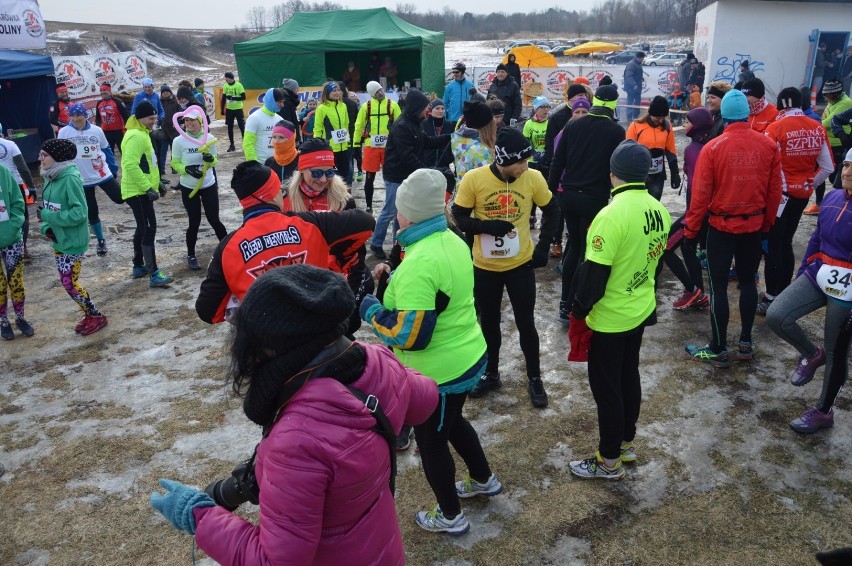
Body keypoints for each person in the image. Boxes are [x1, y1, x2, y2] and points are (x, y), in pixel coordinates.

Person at [154, 263, 438, 565]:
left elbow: (276, 561)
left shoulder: (296, 442)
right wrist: (389, 369)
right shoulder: (376, 361)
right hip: (382, 548)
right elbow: (427, 398)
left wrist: (199, 515)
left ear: (271, 349)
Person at [360, 168, 502, 535]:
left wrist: (371, 310)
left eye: (400, 210)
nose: (396, 216)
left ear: (411, 214)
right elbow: (439, 298)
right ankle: (484, 479)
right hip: (467, 355)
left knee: (432, 441)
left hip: (437, 373)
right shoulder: (451, 239)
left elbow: (411, 335)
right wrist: (393, 281)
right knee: (454, 424)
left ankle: (450, 515)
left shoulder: (420, 262)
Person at [567, 140, 671, 480]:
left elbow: (594, 275)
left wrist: (579, 309)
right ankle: (626, 442)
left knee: (607, 387)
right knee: (629, 376)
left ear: (612, 174)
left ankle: (608, 460)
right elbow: (655, 264)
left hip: (610, 316)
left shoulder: (611, 215)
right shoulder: (659, 209)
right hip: (639, 307)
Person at [452, 128, 560, 408]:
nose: (525, 167)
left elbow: (553, 210)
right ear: (502, 160)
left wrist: (543, 245)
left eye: (527, 162)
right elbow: (459, 217)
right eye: (520, 163)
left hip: (520, 264)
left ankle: (535, 377)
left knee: (526, 323)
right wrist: (486, 226)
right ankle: (491, 373)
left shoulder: (532, 177)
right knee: (488, 323)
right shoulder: (474, 179)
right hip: (484, 267)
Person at [195, 161, 375, 324]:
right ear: (273, 195)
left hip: (267, 340)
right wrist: (335, 257)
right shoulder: (309, 223)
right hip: (318, 329)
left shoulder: (227, 247)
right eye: (281, 191)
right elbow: (366, 222)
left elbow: (208, 311)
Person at [684, 90, 782, 366]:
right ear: (747, 114)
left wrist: (691, 232)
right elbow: (774, 191)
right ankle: (746, 342)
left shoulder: (713, 148)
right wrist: (767, 224)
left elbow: (700, 196)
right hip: (753, 225)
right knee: (749, 281)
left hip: (721, 226)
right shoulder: (767, 145)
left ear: (723, 116)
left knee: (717, 287)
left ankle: (717, 346)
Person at [766, 148, 852, 434]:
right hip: (819, 274)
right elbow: (816, 238)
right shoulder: (832, 197)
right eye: (847, 165)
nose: (848, 171)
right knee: (777, 314)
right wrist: (803, 273)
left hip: (848, 290)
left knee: (836, 351)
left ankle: (823, 411)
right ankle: (810, 353)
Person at [549, 85, 626, 323]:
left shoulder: (573, 125)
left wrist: (551, 193)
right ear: (613, 105)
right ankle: (576, 304)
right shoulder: (615, 131)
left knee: (574, 245)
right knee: (589, 250)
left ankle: (565, 304)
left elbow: (557, 162)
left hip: (570, 196)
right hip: (595, 198)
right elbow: (618, 169)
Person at [759, 87, 834, 314]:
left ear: (781, 104)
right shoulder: (817, 127)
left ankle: (772, 296)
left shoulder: (775, 128)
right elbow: (829, 167)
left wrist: (780, 190)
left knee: (773, 245)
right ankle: (783, 292)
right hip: (802, 195)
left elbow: (766, 166)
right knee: (786, 243)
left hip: (779, 197)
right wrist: (809, 183)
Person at [37, 139, 108, 335]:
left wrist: (47, 217)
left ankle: (96, 315)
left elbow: (79, 213)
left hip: (73, 241)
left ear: (57, 157)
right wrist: (46, 227)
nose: (40, 159)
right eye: (40, 154)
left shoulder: (70, 178)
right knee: (67, 282)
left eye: (44, 155)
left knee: (70, 284)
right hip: (58, 239)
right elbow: (48, 208)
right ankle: (89, 314)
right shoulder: (49, 176)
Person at [370, 90, 450, 260]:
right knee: (390, 211)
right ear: (416, 108)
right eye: (425, 107)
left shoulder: (416, 123)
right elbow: (406, 156)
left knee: (403, 212)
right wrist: (425, 172)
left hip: (408, 175)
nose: (427, 110)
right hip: (396, 176)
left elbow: (426, 142)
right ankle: (376, 243)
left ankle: (397, 244)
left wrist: (449, 137)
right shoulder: (402, 126)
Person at [58, 103, 123, 257]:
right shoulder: (64, 132)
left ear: (85, 115)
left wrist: (113, 169)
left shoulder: (97, 130)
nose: (75, 119)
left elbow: (106, 149)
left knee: (120, 198)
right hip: (81, 178)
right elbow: (60, 156)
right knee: (91, 211)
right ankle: (101, 241)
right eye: (72, 116)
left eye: (78, 115)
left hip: (101, 173)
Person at [664, 107, 713, 311]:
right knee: (688, 248)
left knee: (664, 248)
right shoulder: (710, 144)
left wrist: (691, 217)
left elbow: (696, 186)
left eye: (688, 121)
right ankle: (697, 292)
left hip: (696, 211)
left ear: (698, 125)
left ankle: (692, 290)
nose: (684, 124)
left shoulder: (694, 149)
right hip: (707, 211)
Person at [121, 101, 173, 288]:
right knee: (149, 228)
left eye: (155, 117)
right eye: (150, 118)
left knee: (143, 228)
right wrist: (147, 188)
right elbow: (130, 165)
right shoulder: (136, 136)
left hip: (140, 190)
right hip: (137, 192)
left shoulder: (142, 133)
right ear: (140, 118)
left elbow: (148, 165)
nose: (154, 121)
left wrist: (157, 183)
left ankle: (138, 265)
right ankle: (154, 274)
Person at [170, 107, 227, 271]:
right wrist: (186, 169)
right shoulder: (178, 141)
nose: (189, 123)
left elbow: (215, 160)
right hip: (189, 186)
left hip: (208, 184)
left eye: (192, 120)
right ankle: (191, 255)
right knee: (194, 222)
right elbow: (175, 163)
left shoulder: (208, 137)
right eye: (186, 120)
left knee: (214, 219)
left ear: (200, 121)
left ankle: (228, 249)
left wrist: (211, 159)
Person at [353, 80, 401, 213]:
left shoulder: (393, 105)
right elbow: (359, 125)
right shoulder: (366, 107)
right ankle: (369, 205)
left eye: (380, 90)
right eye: (376, 92)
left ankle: (393, 204)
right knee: (370, 177)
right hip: (371, 146)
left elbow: (400, 125)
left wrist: (400, 143)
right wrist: (356, 143)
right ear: (371, 94)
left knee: (391, 177)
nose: (380, 93)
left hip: (389, 147)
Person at [806, 80, 852, 216]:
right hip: (829, 142)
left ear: (835, 94)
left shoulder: (846, 103)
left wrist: (812, 125)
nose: (825, 98)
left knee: (837, 178)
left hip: (838, 145)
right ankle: (820, 204)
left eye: (827, 95)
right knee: (824, 172)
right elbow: (830, 119)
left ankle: (838, 207)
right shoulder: (833, 102)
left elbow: (826, 121)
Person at [625, 96, 681, 201]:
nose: (660, 121)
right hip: (639, 176)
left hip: (658, 176)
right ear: (650, 113)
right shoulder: (636, 126)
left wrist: (675, 173)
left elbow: (671, 151)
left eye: (663, 118)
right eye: (658, 118)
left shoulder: (667, 126)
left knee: (654, 205)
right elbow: (627, 152)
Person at [0, 162, 31, 340]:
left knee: (16, 280)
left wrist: (13, 227)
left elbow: (18, 203)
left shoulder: (3, 171)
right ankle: (3, 321)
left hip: (11, 239)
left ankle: (20, 318)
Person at [440, 100, 495, 184]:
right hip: (477, 195)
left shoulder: (460, 140)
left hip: (462, 192)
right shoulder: (480, 151)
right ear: (487, 125)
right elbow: (489, 183)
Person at [0, 136, 37, 260]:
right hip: (14, 184)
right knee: (22, 215)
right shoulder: (10, 144)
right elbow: (22, 167)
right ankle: (23, 247)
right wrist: (31, 187)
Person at [313, 81, 352, 185]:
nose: (337, 92)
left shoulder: (343, 105)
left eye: (338, 90)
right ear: (327, 93)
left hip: (343, 147)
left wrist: (348, 143)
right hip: (330, 149)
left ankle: (343, 199)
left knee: (344, 176)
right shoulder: (322, 108)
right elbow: (318, 128)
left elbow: (346, 125)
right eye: (334, 90)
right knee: (332, 177)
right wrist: (318, 146)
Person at [244, 88, 284, 164]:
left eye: (282, 102)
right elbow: (248, 143)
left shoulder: (280, 119)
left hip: (276, 163)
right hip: (260, 165)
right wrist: (253, 163)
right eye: (279, 102)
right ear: (271, 101)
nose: (282, 105)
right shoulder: (255, 118)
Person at [95, 83, 130, 153]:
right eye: (101, 90)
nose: (102, 92)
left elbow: (126, 117)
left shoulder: (117, 101)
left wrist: (127, 130)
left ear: (109, 91)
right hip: (106, 133)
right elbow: (98, 118)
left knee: (125, 152)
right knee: (109, 154)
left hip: (118, 132)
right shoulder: (99, 103)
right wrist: (98, 130)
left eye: (104, 90)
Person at [263, 120, 298, 185]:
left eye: (281, 137)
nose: (276, 141)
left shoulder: (300, 161)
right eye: (274, 137)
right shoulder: (269, 162)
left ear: (291, 139)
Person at [221, 71, 246, 153]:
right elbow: (224, 98)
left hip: (238, 109)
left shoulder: (239, 85)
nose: (225, 79)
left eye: (226, 77)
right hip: (229, 109)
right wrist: (222, 109)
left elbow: (243, 97)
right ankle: (232, 145)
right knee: (229, 127)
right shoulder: (225, 85)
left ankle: (245, 144)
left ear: (229, 77)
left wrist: (233, 98)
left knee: (242, 127)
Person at [421, 99, 449, 168]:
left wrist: (448, 158)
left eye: (443, 108)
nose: (440, 111)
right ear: (431, 110)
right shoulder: (423, 124)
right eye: (437, 108)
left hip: (444, 165)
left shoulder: (449, 125)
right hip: (426, 165)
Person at [278, 78, 302, 146]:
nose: (298, 90)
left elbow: (294, 119)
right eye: (297, 88)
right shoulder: (286, 102)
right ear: (292, 89)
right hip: (289, 138)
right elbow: (286, 122)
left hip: (292, 137)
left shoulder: (290, 100)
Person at [623, 52, 645, 122]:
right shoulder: (631, 64)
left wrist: (641, 79)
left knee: (637, 102)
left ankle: (636, 116)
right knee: (630, 102)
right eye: (642, 58)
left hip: (637, 88)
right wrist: (634, 84)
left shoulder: (638, 64)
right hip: (631, 88)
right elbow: (628, 76)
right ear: (639, 57)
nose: (643, 60)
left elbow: (637, 74)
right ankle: (629, 118)